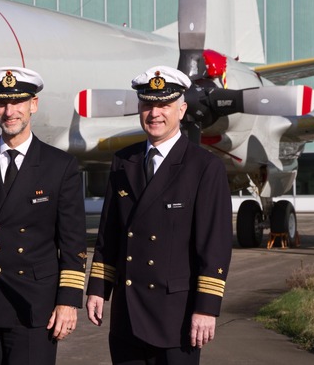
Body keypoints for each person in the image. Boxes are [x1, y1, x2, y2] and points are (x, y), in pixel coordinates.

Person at [85, 66, 233, 365]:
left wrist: (206, 308)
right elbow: (109, 234)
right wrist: (98, 289)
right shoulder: (124, 161)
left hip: (175, 315)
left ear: (182, 110)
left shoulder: (204, 167)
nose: (154, 113)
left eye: (164, 105)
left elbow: (214, 246)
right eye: (147, 105)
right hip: (127, 315)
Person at [0, 67, 88, 365]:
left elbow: (73, 243)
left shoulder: (60, 165)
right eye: (1, 102)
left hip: (34, 304)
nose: (9, 111)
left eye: (18, 102)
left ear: (33, 105)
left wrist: (68, 301)